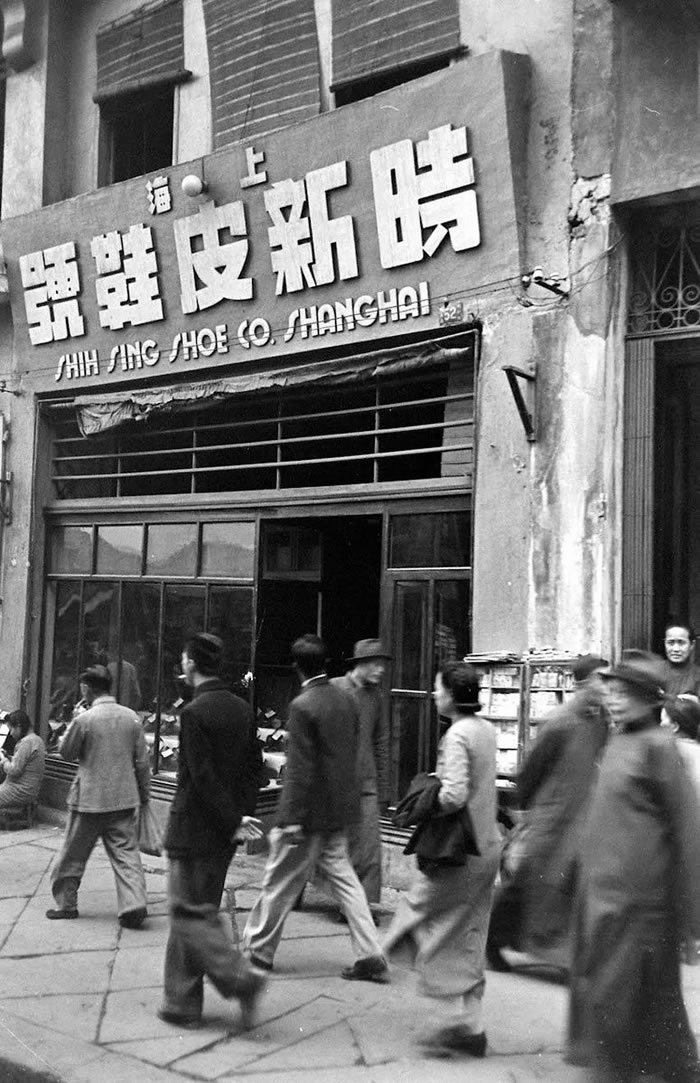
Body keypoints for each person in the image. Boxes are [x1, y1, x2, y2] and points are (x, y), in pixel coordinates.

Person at [569, 650, 700, 1081]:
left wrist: (692, 915)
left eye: (624, 693)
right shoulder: (617, 739)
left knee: (620, 993)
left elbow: (686, 830)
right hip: (606, 893)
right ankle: (675, 1066)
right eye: (611, 690)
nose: (614, 698)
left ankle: (625, 1071)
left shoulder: (660, 747)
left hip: (641, 901)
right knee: (649, 992)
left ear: (648, 700)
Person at [243, 634, 389, 983]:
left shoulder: (302, 705)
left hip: (307, 814)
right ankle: (370, 951)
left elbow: (299, 768)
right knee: (348, 883)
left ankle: (259, 951)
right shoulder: (346, 700)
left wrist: (290, 819)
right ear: (326, 663)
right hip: (340, 810)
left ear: (296, 667)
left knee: (278, 881)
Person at [382, 661, 500, 1058]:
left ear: (451, 695)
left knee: (423, 917)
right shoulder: (485, 729)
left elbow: (454, 795)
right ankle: (472, 1026)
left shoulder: (457, 735)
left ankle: (450, 1020)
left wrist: (425, 797)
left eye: (438, 689)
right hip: (486, 846)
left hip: (458, 852)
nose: (434, 695)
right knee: (469, 934)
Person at [159, 632, 267, 1030]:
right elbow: (255, 769)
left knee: (186, 913)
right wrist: (240, 817)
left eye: (184, 658)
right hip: (224, 835)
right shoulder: (241, 709)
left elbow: (201, 777)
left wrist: (233, 818)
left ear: (191, 663)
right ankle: (181, 1002)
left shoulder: (193, 713)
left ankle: (241, 979)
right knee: (199, 911)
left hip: (192, 828)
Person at [487, 654, 609, 972]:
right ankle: (493, 939)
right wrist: (524, 811)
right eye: (602, 679)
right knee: (527, 881)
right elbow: (532, 769)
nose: (607, 686)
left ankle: (561, 951)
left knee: (566, 885)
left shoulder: (599, 722)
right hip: (551, 816)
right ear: (583, 684)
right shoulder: (560, 722)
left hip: (579, 815)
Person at [48, 665, 150, 926]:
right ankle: (134, 903)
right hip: (123, 798)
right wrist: (144, 795)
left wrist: (73, 721)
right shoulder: (131, 717)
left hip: (89, 800)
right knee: (126, 855)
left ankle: (67, 904)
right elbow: (142, 763)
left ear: (86, 688)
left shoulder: (85, 719)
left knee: (73, 854)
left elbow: (66, 753)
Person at [330, 638, 390, 915]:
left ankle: (357, 907)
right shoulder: (334, 689)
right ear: (361, 664)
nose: (381, 670)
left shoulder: (376, 696)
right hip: (333, 780)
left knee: (368, 846)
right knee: (320, 845)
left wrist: (383, 788)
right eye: (376, 664)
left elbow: (381, 741)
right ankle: (294, 888)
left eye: (382, 664)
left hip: (365, 780)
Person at [0, 710, 45, 810]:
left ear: (19, 726)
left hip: (19, 790)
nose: (11, 734)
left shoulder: (26, 742)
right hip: (29, 789)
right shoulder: (37, 740)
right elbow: (24, 762)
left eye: (11, 729)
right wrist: (9, 757)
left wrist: (4, 760)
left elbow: (14, 770)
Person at [662, 620, 700, 698]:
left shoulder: (697, 675)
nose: (676, 649)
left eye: (681, 643)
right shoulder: (652, 671)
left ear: (692, 645)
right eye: (671, 642)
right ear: (664, 643)